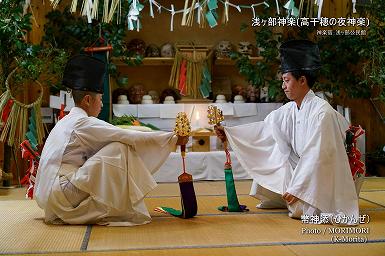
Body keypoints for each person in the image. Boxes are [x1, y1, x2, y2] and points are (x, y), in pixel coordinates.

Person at [215, 40, 359, 224]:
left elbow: (318, 155)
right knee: (275, 152)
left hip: (324, 173)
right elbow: (265, 130)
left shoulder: (322, 113)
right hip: (303, 167)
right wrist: (229, 133)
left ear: (302, 80)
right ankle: (292, 193)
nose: (283, 86)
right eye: (283, 80)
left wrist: (298, 188)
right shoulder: (290, 109)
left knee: (304, 210)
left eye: (286, 80)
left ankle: (302, 195)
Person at [34, 54, 187, 226]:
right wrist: (173, 139)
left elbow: (118, 132)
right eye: (100, 99)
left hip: (54, 195)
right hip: (62, 194)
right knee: (119, 148)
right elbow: (127, 136)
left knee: (116, 147)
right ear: (87, 100)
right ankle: (121, 205)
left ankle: (118, 203)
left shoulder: (69, 120)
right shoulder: (82, 122)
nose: (101, 105)